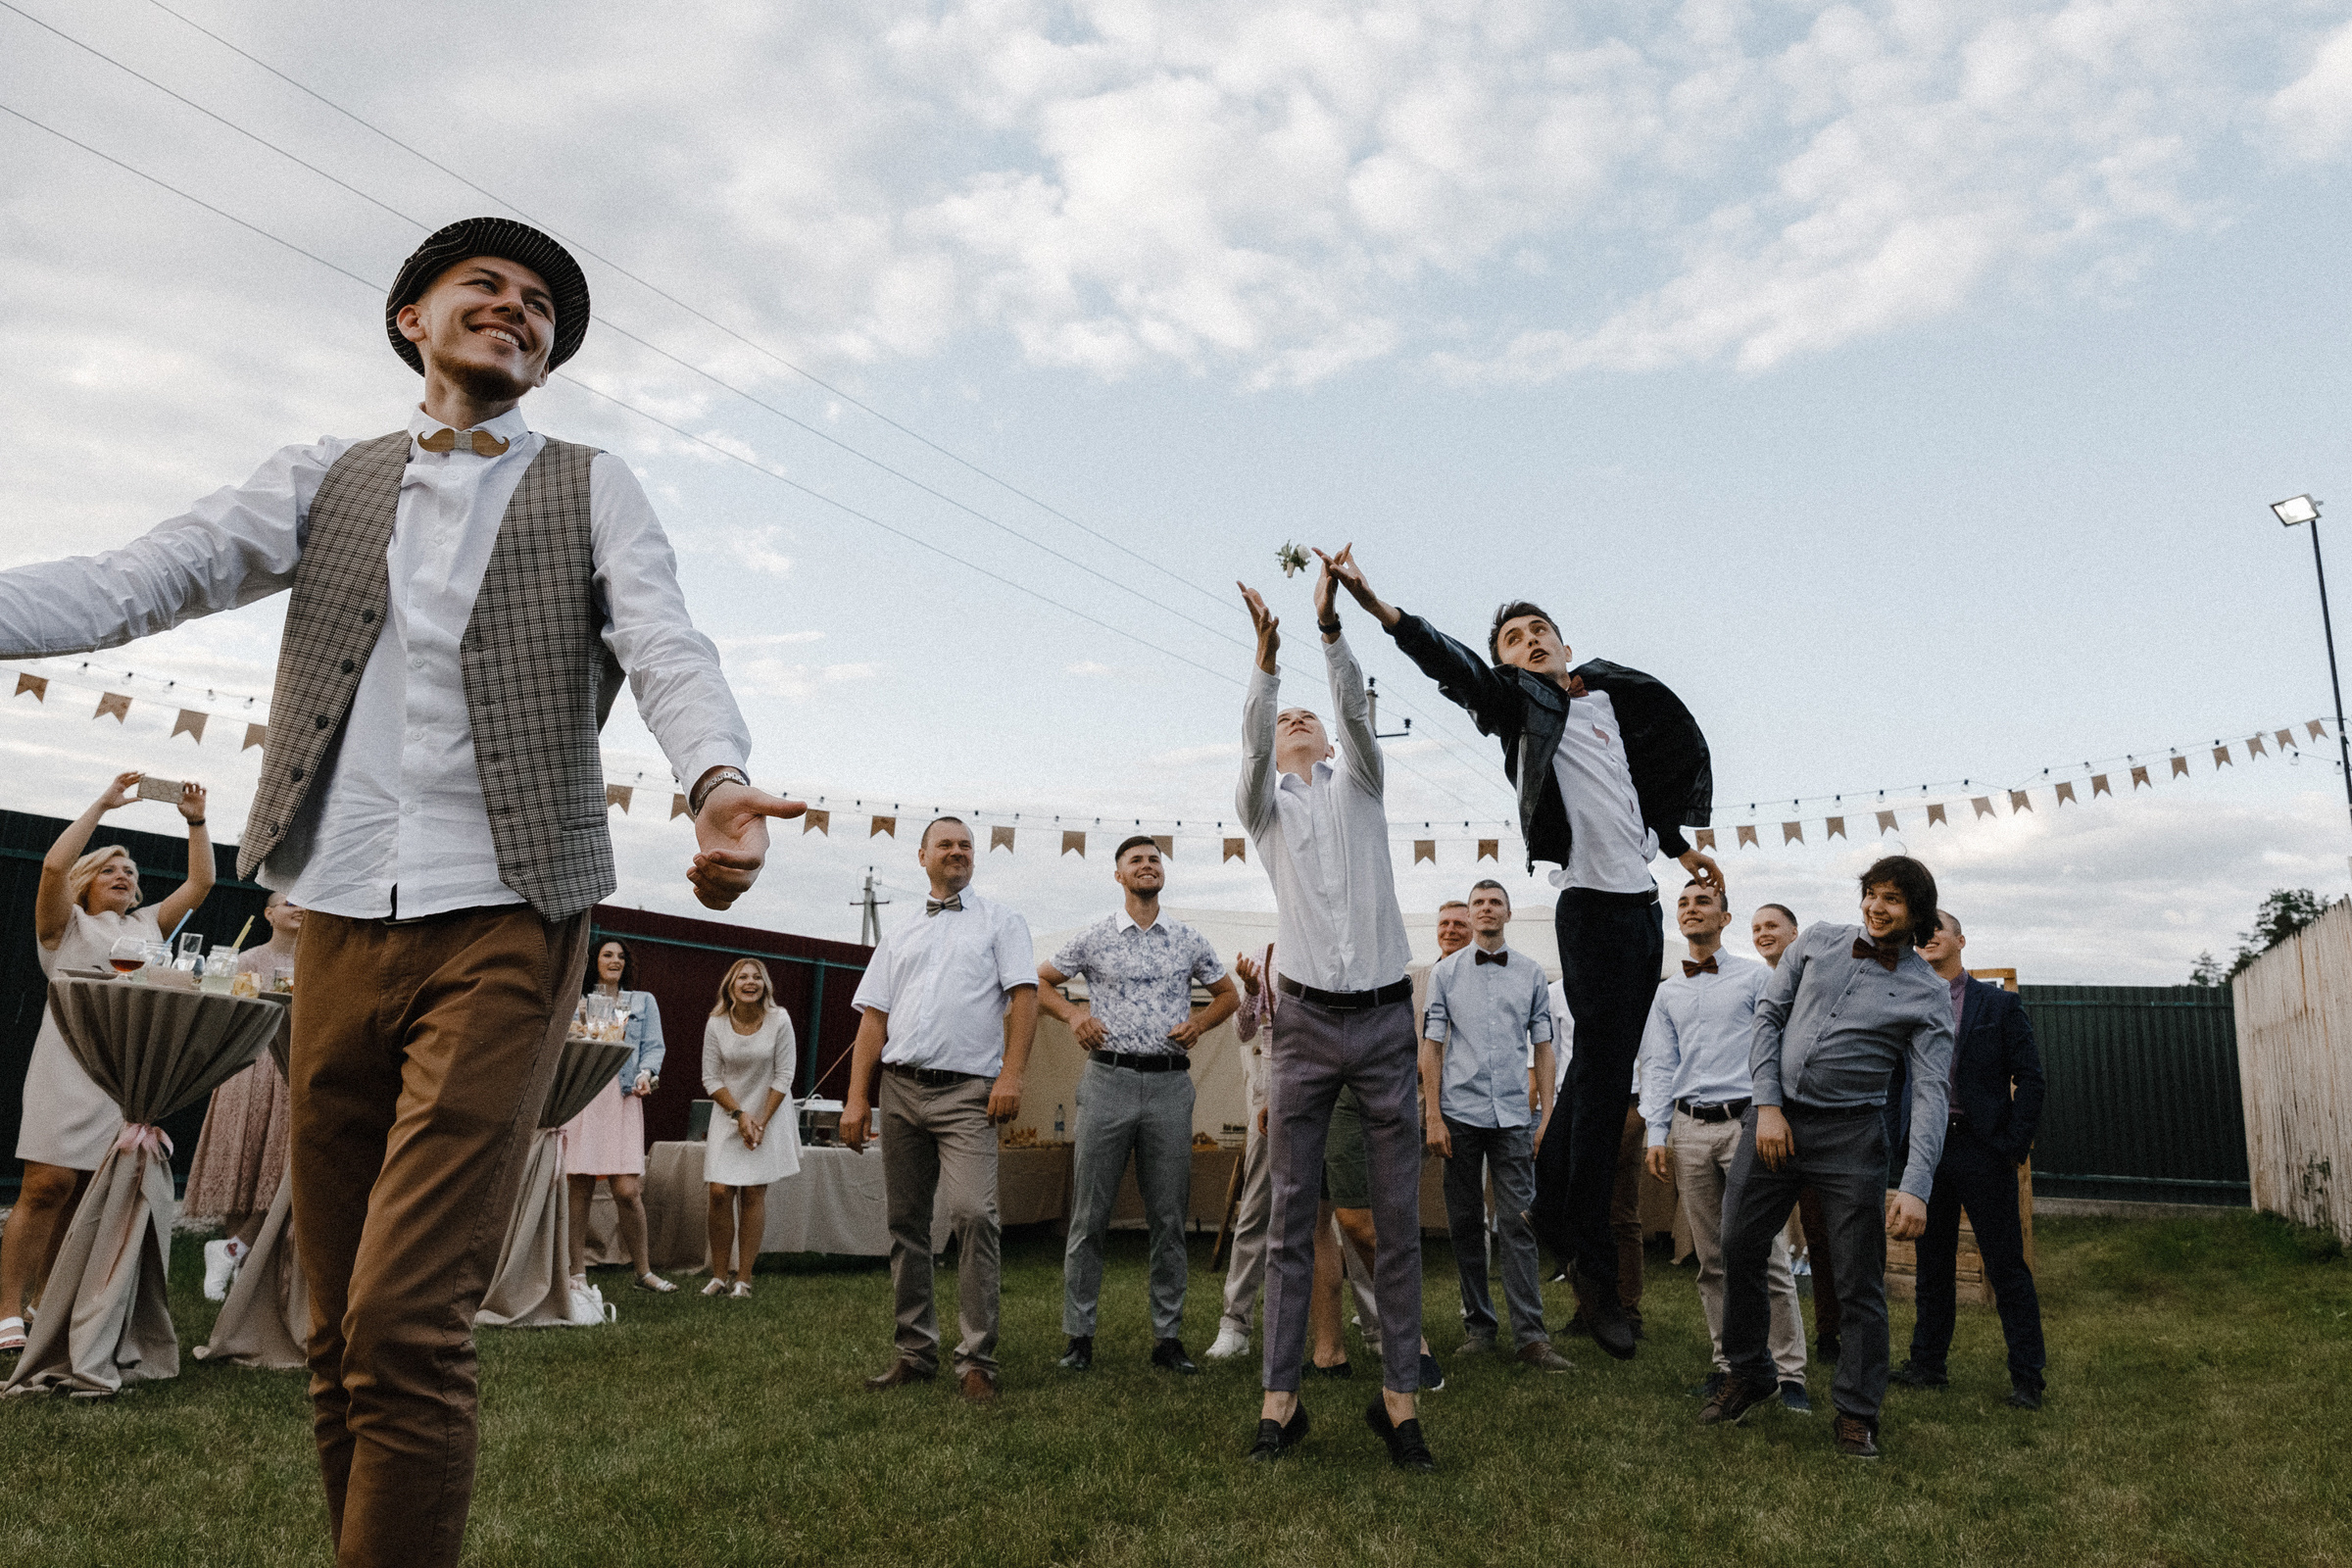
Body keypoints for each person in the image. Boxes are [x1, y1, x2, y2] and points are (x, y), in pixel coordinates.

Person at [0, 217, 800, 1567]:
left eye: (542, 303)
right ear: (408, 321)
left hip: (507, 914)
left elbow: (666, 642)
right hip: (334, 921)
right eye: (484, 286)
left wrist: (716, 776)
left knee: (405, 1316)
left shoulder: (593, 488)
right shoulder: (327, 479)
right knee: (333, 1320)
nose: (517, 308)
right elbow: (145, 578)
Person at [1325, 552, 1716, 1362]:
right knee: (1602, 1086)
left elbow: (1634, 791)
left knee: (1602, 1076)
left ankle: (1556, 1223)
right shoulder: (1523, 707)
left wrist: (1680, 854)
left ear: (1567, 647)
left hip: (1644, 910)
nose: (1530, 640)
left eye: (1541, 631)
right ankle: (1587, 1262)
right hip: (1591, 911)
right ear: (1508, 662)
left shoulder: (1611, 700)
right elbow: (1458, 667)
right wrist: (1381, 609)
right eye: (1513, 637)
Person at [1235, 553, 1432, 1473]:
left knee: (1392, 1218)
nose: (1302, 721)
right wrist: (1267, 666)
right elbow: (1247, 746)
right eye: (1288, 721)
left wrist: (1325, 630)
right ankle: (1281, 1400)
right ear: (1277, 745)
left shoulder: (1362, 786)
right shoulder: (1263, 811)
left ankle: (1399, 1404)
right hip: (1305, 1028)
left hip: (1388, 1023)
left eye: (1307, 714)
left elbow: (1352, 710)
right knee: (1288, 1215)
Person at [1705, 857, 1954, 1459]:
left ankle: (1857, 1412)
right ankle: (1750, 1369)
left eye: (1892, 899)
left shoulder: (1928, 994)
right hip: (1777, 1120)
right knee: (1737, 1242)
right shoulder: (1815, 940)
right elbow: (1768, 1017)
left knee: (1856, 1279)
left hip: (1852, 1139)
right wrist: (1766, 1105)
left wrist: (1915, 1185)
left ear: (1916, 914)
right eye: (1871, 894)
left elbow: (1930, 1094)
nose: (1876, 907)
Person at [1, 772, 212, 1354]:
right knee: (47, 1184)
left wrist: (196, 820)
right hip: (66, 1058)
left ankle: (51, 1301)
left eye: (133, 874)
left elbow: (201, 881)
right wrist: (103, 804)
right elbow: (49, 868)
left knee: (87, 1189)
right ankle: (4, 1311)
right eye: (112, 870)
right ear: (88, 882)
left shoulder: (147, 927)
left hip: (121, 1067)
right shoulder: (63, 926)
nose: (126, 877)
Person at [841, 817, 1038, 1402]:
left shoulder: (1003, 921)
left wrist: (1013, 1074)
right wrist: (857, 1097)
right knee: (905, 1223)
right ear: (921, 855)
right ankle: (914, 1351)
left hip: (969, 1093)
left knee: (975, 1214)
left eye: (966, 845)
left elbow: (1024, 999)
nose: (957, 852)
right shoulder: (899, 929)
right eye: (946, 844)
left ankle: (977, 1359)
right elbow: (872, 1017)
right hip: (899, 1089)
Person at [1040, 837, 1238, 1374]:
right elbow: (1039, 982)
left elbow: (1229, 996)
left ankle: (1168, 1339)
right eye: (1136, 861)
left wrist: (1199, 1022)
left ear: (1162, 874)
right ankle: (1078, 1337)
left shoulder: (1188, 939)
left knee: (1169, 1216)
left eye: (1154, 859)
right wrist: (1074, 1016)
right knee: (1089, 1215)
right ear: (1118, 876)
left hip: (1170, 1087)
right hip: (1108, 1081)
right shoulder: (1095, 938)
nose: (1147, 866)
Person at [1640, 880, 1807, 1411]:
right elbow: (1659, 1065)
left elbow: (1776, 1051)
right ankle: (1730, 1366)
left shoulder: (1756, 979)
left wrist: (1771, 1117)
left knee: (1765, 1253)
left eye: (1702, 902)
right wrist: (1657, 1131)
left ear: (1724, 918)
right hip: (1688, 1129)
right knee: (1711, 1258)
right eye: (1684, 904)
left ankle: (1789, 1373)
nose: (1691, 910)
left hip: (1747, 1125)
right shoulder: (1668, 991)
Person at [1890, 910, 2048, 1408]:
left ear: (1960, 939)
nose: (1930, 934)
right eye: (1922, 930)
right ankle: (1926, 1364)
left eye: (1939, 926)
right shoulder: (1904, 1001)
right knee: (1931, 1263)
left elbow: (2032, 1078)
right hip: (1925, 1151)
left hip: (1983, 1150)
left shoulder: (1997, 1005)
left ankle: (2028, 1378)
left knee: (2005, 1266)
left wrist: (2011, 1144)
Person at [1421, 880, 1570, 1372]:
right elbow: (1432, 1046)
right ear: (1470, 911)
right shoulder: (1443, 975)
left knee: (1518, 1224)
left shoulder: (1530, 973)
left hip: (1512, 1117)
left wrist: (1547, 1115)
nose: (1486, 909)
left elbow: (1544, 1048)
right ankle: (1479, 1327)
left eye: (1495, 902)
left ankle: (1531, 1338)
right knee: (1465, 1224)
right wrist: (1433, 1115)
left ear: (1507, 913)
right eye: (1478, 902)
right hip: (1458, 1116)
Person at [187, 891, 304, 1301]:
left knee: (283, 1166)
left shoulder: (322, 961)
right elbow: (226, 1014)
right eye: (289, 902)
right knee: (247, 1166)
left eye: (305, 901)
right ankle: (236, 1265)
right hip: (253, 1069)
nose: (299, 907)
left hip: (295, 1067)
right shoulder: (248, 959)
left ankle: (232, 1253)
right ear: (269, 914)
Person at [1754, 901, 1842, 1365]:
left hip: (1812, 1124)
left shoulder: (1816, 985)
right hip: (1764, 1120)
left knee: (1822, 1233)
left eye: (1773, 926)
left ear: (1795, 935)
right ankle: (1757, 1344)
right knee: (1753, 1237)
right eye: (1757, 928)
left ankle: (1831, 1334)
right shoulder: (1754, 984)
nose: (1764, 933)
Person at [565, 938, 675, 1296]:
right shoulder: (577, 1002)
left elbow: (654, 1048)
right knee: (578, 1186)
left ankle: (643, 1273)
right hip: (584, 1098)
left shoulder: (642, 1002)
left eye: (621, 957)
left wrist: (647, 1074)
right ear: (593, 962)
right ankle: (576, 1275)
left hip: (624, 1097)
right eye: (607, 955)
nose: (615, 961)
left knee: (627, 1191)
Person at [701, 957, 800, 1298]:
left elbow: (784, 1074)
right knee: (719, 1192)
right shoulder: (716, 1023)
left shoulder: (779, 1019)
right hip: (729, 1113)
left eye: (757, 977)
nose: (750, 982)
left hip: (768, 1113)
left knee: (753, 1193)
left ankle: (743, 1278)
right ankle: (718, 1275)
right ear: (731, 985)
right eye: (742, 976)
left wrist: (760, 1121)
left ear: (765, 985)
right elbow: (710, 1078)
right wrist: (740, 1115)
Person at [1205, 940, 1276, 1362]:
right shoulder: (1267, 957)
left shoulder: (1341, 952)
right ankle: (1235, 1325)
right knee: (1256, 1206)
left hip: (1336, 1090)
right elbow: (1244, 1031)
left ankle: (1375, 1323)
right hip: (1273, 1092)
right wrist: (1251, 989)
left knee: (1352, 1206)